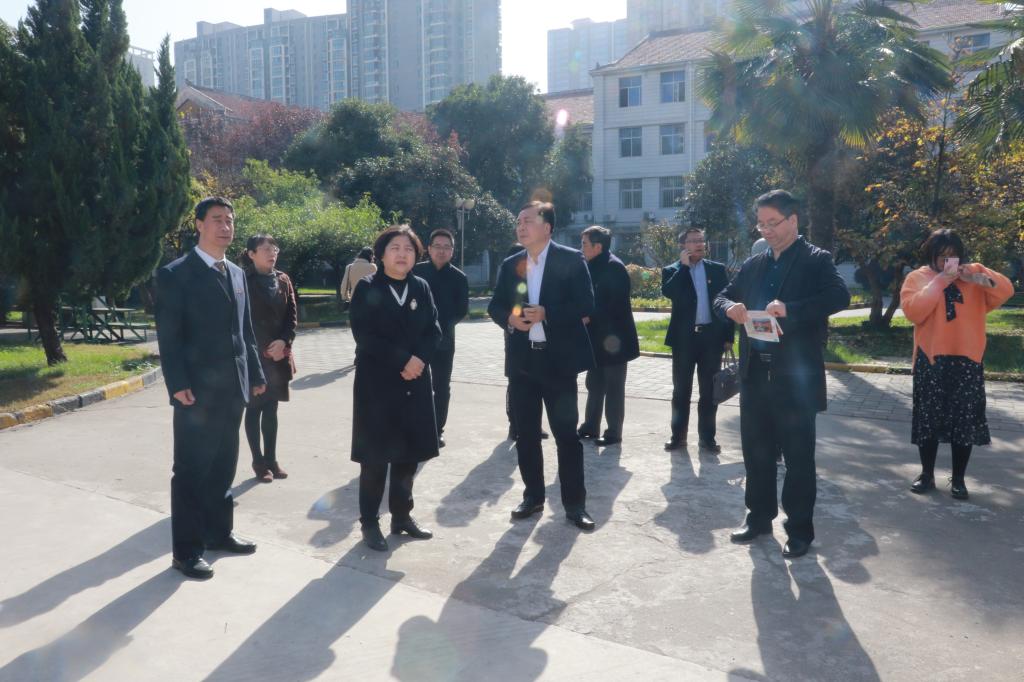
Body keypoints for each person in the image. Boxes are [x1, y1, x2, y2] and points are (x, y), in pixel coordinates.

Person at [714, 190, 850, 559]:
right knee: (756, 452)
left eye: (772, 223)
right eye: (761, 224)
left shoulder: (815, 259)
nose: (766, 230)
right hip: (755, 375)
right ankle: (758, 518)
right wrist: (730, 308)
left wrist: (792, 309)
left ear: (793, 220)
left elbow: (839, 297)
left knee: (798, 458)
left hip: (796, 378)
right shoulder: (755, 264)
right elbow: (722, 296)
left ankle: (799, 530)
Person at [156, 197, 267, 580]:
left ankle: (219, 533)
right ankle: (186, 552)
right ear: (199, 225)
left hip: (233, 387)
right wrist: (177, 384)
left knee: (223, 464)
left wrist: (255, 374)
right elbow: (169, 336)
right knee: (191, 470)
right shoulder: (176, 274)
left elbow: (244, 331)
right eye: (217, 219)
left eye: (230, 220)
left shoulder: (236, 273)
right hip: (196, 392)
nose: (225, 226)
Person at [488, 201, 597, 531]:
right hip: (523, 363)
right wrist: (510, 319)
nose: (520, 226)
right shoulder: (511, 264)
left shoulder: (570, 259)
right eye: (518, 221)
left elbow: (586, 303)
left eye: (528, 221)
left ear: (547, 227)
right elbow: (495, 306)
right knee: (526, 435)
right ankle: (533, 497)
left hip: (558, 363)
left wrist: (548, 313)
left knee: (566, 436)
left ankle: (575, 505)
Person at [900, 229, 1013, 500]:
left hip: (967, 359)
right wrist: (939, 281)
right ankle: (927, 474)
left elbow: (1006, 290)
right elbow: (914, 312)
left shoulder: (972, 277)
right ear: (931, 255)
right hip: (931, 358)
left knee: (964, 423)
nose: (946, 261)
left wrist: (976, 273)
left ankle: (959, 479)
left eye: (953, 256)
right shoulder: (917, 278)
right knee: (928, 421)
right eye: (941, 256)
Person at [349, 225, 441, 552]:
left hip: (414, 382)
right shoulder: (367, 287)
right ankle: (369, 522)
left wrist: (420, 360)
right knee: (375, 458)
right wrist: (404, 360)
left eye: (409, 249)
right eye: (395, 248)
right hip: (378, 385)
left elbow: (433, 330)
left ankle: (401, 516)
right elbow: (365, 335)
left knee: (408, 455)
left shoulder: (420, 287)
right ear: (382, 254)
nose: (402, 254)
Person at [661, 228, 734, 452]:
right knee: (681, 391)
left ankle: (707, 438)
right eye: (693, 241)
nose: (700, 244)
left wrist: (728, 337)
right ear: (683, 246)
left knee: (709, 392)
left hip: (711, 339)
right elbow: (670, 293)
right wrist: (684, 268)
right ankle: (678, 437)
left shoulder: (717, 269)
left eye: (701, 240)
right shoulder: (672, 270)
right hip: (684, 341)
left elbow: (728, 302)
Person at [241, 235, 297, 484]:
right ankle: (258, 462)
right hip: (253, 356)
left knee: (272, 408)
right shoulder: (243, 280)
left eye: (274, 248)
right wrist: (262, 348)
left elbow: (292, 316)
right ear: (251, 254)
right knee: (254, 409)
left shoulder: (283, 279)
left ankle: (272, 459)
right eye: (265, 249)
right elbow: (240, 320)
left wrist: (284, 341)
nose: (271, 252)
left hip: (278, 356)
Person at [577, 225, 639, 446]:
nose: (581, 248)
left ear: (598, 246)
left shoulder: (614, 267)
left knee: (613, 387)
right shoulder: (589, 265)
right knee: (594, 383)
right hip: (596, 339)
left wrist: (589, 316)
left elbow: (614, 304)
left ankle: (614, 432)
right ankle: (590, 426)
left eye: (584, 244)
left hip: (615, 341)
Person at [413, 228, 469, 448]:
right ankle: (416, 427)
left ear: (453, 251)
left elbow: (461, 310)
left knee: (441, 386)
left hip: (444, 341)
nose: (442, 251)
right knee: (415, 385)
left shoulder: (459, 278)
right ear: (429, 248)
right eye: (437, 246)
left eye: (447, 247)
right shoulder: (415, 272)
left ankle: (437, 430)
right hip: (416, 340)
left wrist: (441, 326)